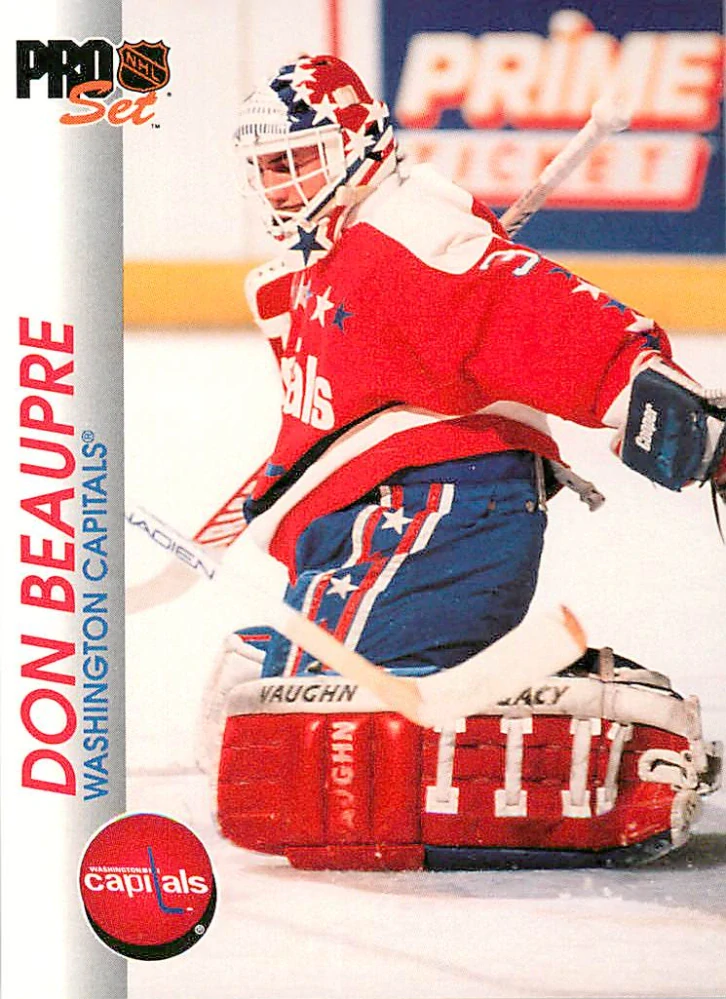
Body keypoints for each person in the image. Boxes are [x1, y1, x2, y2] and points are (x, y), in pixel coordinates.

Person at [200, 54, 724, 869]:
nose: (281, 183)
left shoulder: (406, 231)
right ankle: (541, 692)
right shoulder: (325, 256)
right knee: (251, 703)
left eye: (299, 158)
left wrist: (655, 399)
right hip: (371, 529)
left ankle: (627, 735)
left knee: (305, 751)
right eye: (267, 166)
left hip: (434, 514)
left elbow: (532, 315)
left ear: (361, 142)